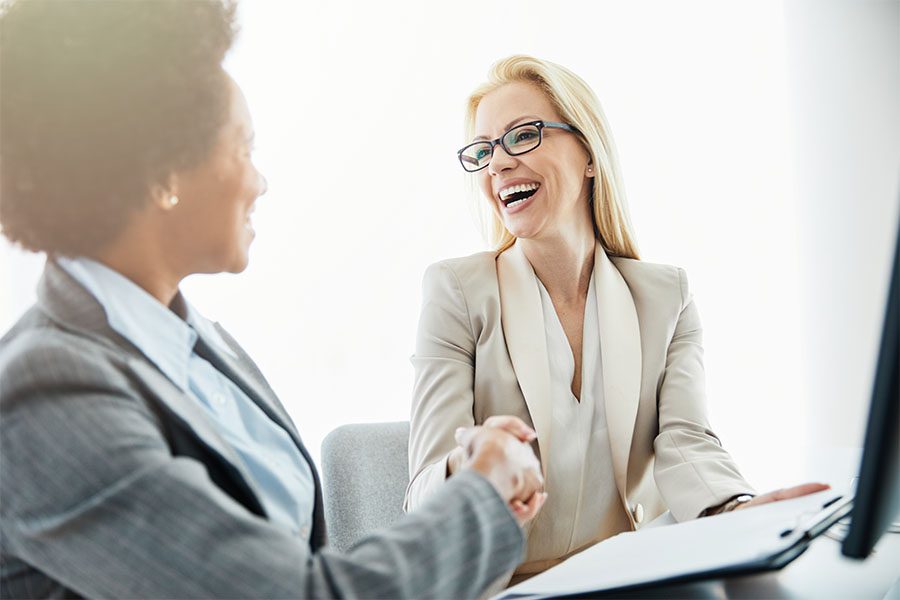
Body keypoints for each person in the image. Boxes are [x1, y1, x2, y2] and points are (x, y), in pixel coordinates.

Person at [0, 3, 546, 598]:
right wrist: (481, 497)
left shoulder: (201, 344)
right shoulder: (42, 392)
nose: (259, 181)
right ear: (163, 176)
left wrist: (477, 501)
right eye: (244, 148)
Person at [404, 55, 827, 584]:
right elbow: (423, 494)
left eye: (522, 136)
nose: (498, 165)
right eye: (484, 150)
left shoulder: (664, 297)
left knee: (763, 580)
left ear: (588, 154)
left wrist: (738, 511)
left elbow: (685, 442)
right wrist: (472, 467)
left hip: (630, 578)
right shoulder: (457, 292)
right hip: (501, 585)